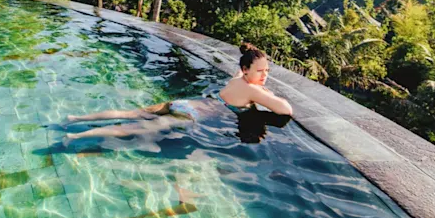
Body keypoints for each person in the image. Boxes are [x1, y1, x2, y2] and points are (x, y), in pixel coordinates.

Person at [61, 43, 293, 144]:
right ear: (246, 69)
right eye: (260, 71)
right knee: (131, 128)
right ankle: (76, 137)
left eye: (267, 71)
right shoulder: (253, 90)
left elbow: (240, 73)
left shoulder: (237, 79)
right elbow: (285, 110)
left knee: (130, 114)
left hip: (184, 103)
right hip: (190, 115)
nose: (264, 75)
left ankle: (76, 118)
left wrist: (256, 77)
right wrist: (265, 92)